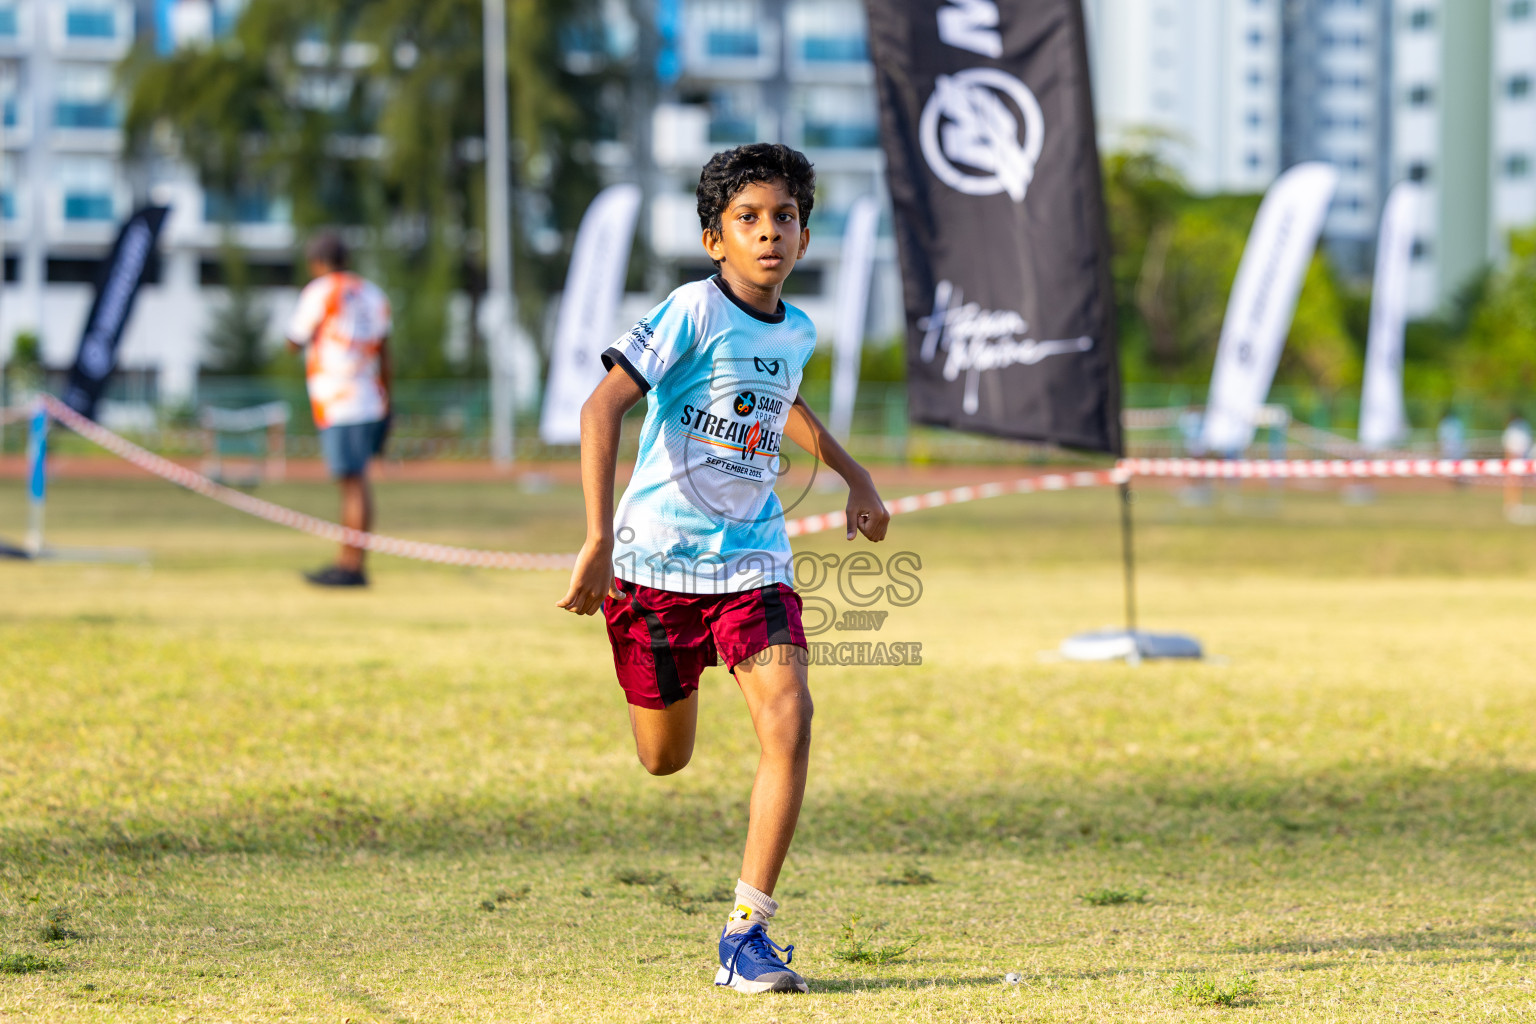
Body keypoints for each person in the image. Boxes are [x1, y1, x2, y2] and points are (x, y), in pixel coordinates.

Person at [556, 144, 889, 994]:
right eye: (749, 219)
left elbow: (786, 402)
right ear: (715, 240)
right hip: (654, 568)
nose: (769, 232)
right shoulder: (690, 310)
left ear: (804, 237)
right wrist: (597, 538)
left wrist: (855, 474)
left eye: (785, 217)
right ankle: (666, 696)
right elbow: (600, 408)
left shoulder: (799, 330)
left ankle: (746, 932)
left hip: (752, 564)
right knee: (664, 759)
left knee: (790, 718)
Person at [285, 232, 392, 587]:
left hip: (340, 398)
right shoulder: (371, 293)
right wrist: (388, 401)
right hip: (369, 397)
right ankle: (349, 560)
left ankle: (352, 566)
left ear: (317, 262)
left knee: (353, 483)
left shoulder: (321, 291)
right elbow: (385, 351)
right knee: (355, 481)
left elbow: (293, 341)